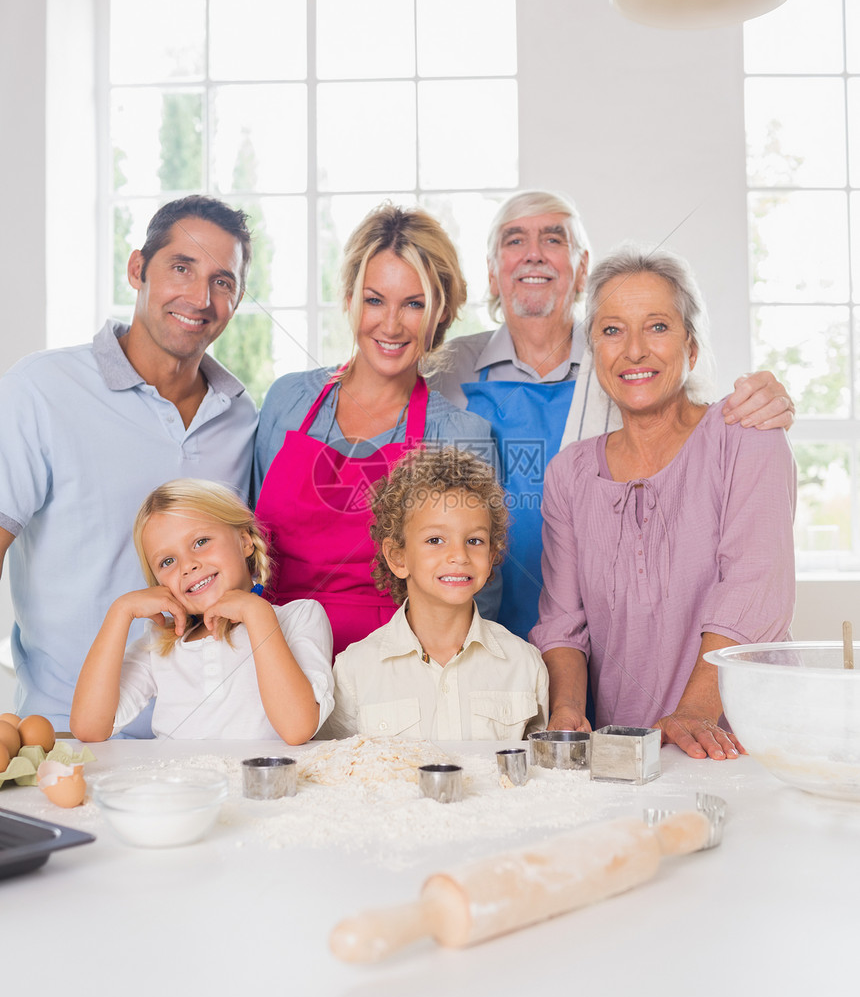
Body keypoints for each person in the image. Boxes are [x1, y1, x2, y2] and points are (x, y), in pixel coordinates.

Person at [431, 189, 795, 641]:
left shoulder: (629, 363)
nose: (533, 255)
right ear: (491, 272)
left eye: (553, 239)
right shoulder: (443, 370)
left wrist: (765, 400)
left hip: (610, 632)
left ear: (582, 267)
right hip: (480, 622)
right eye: (514, 240)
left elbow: (692, 429)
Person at [0, 196, 258, 733]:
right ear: (138, 269)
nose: (200, 297)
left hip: (204, 738)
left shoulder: (240, 417)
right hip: (64, 733)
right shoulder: (40, 390)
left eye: (223, 281)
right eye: (181, 267)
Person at [530, 246, 796, 760]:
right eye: (612, 330)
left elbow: (756, 588)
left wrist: (694, 712)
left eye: (656, 326)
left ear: (691, 348)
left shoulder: (747, 434)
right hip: (626, 746)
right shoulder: (569, 473)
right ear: (595, 355)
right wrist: (566, 709)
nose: (634, 350)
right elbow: (563, 622)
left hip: (741, 738)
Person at [254, 204, 495, 659]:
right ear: (348, 299)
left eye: (413, 304)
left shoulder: (462, 434)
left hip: (398, 670)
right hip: (273, 665)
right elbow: (245, 547)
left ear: (439, 313)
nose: (390, 324)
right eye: (374, 299)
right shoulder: (287, 402)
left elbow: (477, 590)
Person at [70, 480, 333, 743]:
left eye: (201, 542)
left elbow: (297, 728)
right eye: (167, 561)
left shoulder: (301, 617)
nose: (188, 566)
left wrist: (257, 614)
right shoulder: (161, 643)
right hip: (180, 783)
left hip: (257, 783)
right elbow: (88, 728)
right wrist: (120, 612)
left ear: (244, 541)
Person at [325, 447, 548, 740]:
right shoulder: (355, 670)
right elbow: (337, 772)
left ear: (492, 554)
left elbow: (538, 774)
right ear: (398, 557)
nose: (459, 555)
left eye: (474, 540)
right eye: (435, 539)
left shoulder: (525, 664)